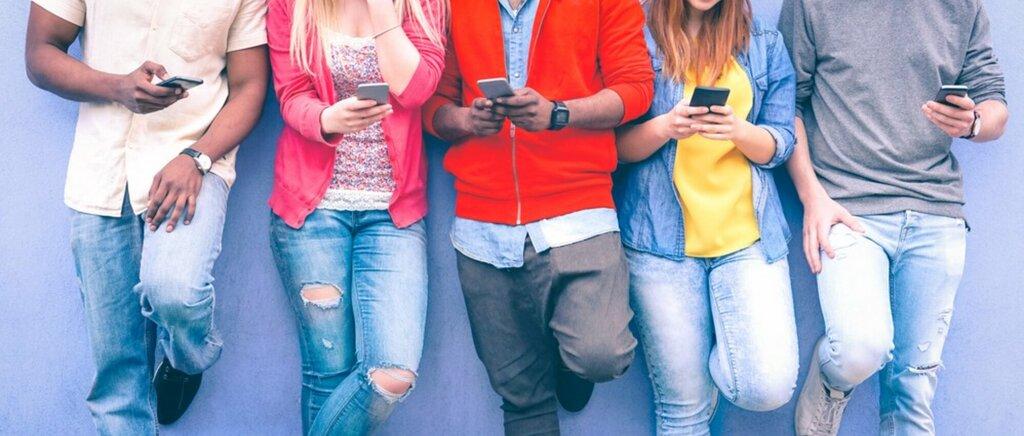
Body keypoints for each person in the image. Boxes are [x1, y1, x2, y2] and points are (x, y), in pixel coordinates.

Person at [25, 0, 268, 432]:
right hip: (102, 171)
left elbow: (249, 87)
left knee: (176, 291)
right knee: (118, 379)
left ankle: (188, 359)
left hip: (193, 163)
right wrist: (117, 87)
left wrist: (197, 158)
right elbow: (40, 53)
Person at [778, 1, 1009, 434]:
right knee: (859, 349)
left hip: (935, 208)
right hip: (848, 209)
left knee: (913, 392)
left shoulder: (963, 5)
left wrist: (973, 122)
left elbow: (995, 103)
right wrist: (812, 196)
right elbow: (785, 104)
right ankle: (831, 382)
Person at [424, 0, 653, 434]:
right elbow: (433, 103)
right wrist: (466, 119)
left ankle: (568, 359)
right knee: (522, 399)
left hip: (579, 212)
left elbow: (636, 88)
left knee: (600, 354)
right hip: (483, 226)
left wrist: (558, 114)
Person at [614, 0, 798, 433]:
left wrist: (739, 131)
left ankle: (709, 372)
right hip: (659, 246)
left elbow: (782, 143)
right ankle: (695, 387)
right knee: (683, 409)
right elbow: (614, 149)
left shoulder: (764, 43)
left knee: (768, 386)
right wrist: (666, 127)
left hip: (747, 240)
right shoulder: (637, 37)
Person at [265, 0, 446, 433]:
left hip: (393, 217)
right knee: (326, 373)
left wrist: (382, 9)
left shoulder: (422, 5)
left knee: (393, 373)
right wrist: (328, 117)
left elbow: (415, 90)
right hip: (312, 211)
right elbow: (291, 96)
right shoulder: (292, 5)